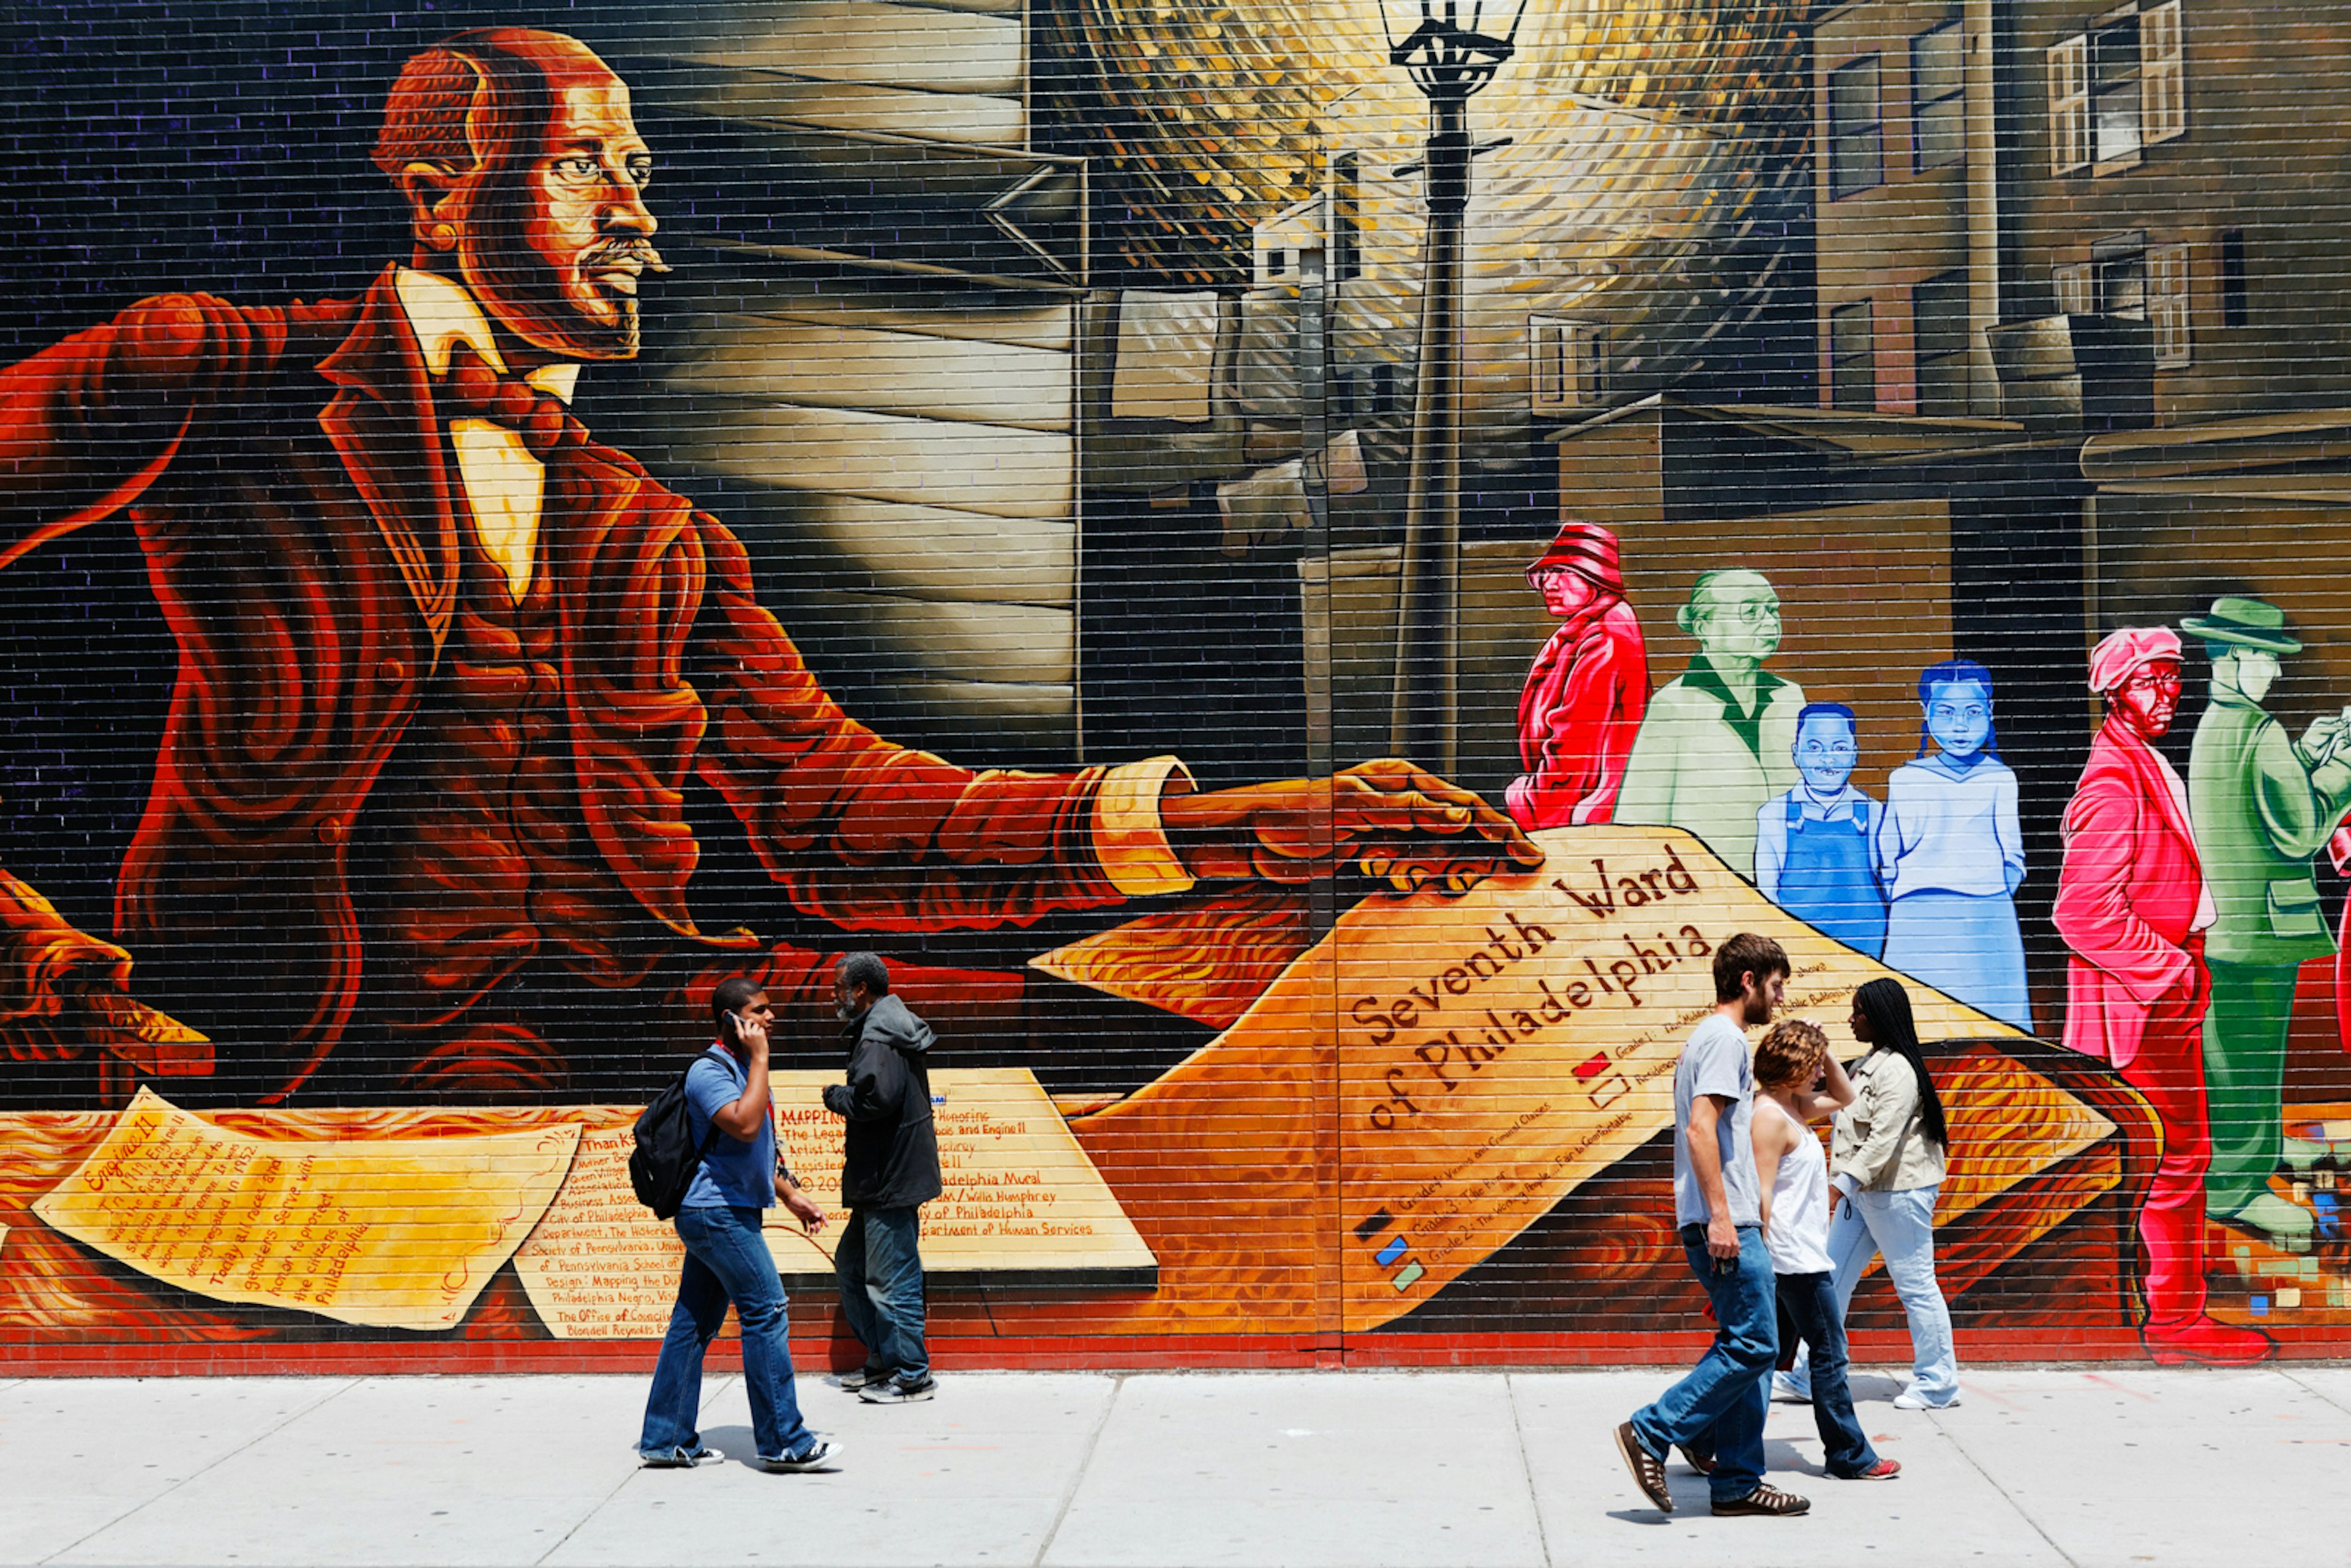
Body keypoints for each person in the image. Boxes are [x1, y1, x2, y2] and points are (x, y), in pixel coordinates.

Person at [0, 27, 1542, 1104]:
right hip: (320, 1041)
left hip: (666, 1001)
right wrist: (29, 943)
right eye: (586, 168)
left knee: (1184, 1017)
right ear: (437, 192)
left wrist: (1226, 827)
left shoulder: (651, 529)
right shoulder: (213, 375)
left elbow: (841, 811)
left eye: (643, 170)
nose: (637, 215)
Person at [2053, 627, 2274, 1365]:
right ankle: (2177, 1323)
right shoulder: (2113, 780)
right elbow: (2081, 910)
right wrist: (2171, 970)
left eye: (2174, 678)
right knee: (2178, 1156)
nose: (2167, 694)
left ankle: (2169, 1316)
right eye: (2149, 681)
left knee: (2170, 1154)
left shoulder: (2143, 760)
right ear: (2114, 691)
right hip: (2143, 1005)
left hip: (2163, 992)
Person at [1615, 931, 1810, 1520]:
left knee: (1746, 1346)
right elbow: (1702, 1129)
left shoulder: (1709, 1038)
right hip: (1726, 1222)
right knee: (1756, 1343)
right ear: (1748, 981)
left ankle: (1737, 1481)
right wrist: (1723, 1216)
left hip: (1728, 1218)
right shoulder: (1725, 1039)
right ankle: (1653, 1430)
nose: (1778, 1000)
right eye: (1775, 986)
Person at [2183, 595, 2351, 1251]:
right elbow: (2304, 826)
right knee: (2246, 1053)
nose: (2276, 676)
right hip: (2260, 926)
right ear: (2234, 660)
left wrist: (2310, 752)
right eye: (2268, 661)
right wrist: (2343, 766)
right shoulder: (2258, 731)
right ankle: (2237, 1186)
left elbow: (2269, 797)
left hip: (2234, 922)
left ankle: (2259, 1143)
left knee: (2244, 1054)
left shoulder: (2221, 726)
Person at [639, 976, 841, 1472]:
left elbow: (755, 1148)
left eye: (770, 1010)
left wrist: (791, 1195)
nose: (770, 1018)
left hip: (726, 1209)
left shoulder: (740, 1067)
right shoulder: (709, 1072)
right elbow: (745, 1124)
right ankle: (784, 1441)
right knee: (767, 1308)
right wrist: (762, 1058)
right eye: (759, 1010)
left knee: (693, 1322)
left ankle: (665, 1439)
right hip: (714, 1213)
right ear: (732, 1019)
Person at [1777, 977, 1960, 1410]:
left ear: (1877, 1015)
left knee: (1915, 1286)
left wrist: (1837, 1188)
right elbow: (1839, 1100)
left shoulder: (1898, 1069)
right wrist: (1818, 1050)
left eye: (1857, 1011)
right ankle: (1807, 1374)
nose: (1851, 1018)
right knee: (1829, 1281)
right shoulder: (1870, 1062)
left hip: (1898, 1192)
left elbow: (1883, 1139)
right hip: (1865, 1193)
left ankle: (1938, 1383)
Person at [1750, 1018, 1899, 1481]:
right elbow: (1762, 1196)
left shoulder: (1790, 1107)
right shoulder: (1771, 1117)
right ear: (1793, 1067)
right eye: (1812, 1064)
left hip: (1796, 1255)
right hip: (1793, 1260)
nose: (1820, 1072)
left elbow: (1847, 1097)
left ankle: (1701, 1439)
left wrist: (1824, 1047)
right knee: (1829, 1354)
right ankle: (1849, 1454)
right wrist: (1754, 1265)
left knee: (1756, 1356)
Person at [1617, 571, 1806, 879]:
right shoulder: (1674, 706)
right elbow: (1639, 820)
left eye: (1773, 610)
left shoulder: (1790, 697)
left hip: (1786, 886)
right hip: (1706, 888)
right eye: (1751, 612)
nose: (1770, 623)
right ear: (1705, 627)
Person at [1877, 659, 2033, 1032]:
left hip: (1987, 916)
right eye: (1946, 713)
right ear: (1925, 713)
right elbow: (1888, 852)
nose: (1960, 726)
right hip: (1919, 916)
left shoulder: (2000, 778)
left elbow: (2013, 853)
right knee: (1920, 1022)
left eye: (1973, 712)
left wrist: (1991, 893)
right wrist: (1909, 896)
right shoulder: (1906, 779)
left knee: (1996, 1026)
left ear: (1990, 711)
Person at [820, 953, 942, 1405]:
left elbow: (877, 1100)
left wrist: (838, 1096)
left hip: (889, 1177)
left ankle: (912, 1375)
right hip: (882, 1177)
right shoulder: (885, 1029)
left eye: (838, 987)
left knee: (892, 1279)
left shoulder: (878, 1037)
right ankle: (885, 1360)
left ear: (860, 991)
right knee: (853, 1265)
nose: (834, 995)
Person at [1504, 520, 1650, 831]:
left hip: (1578, 816)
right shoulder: (1588, 630)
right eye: (1546, 574)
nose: (1549, 584)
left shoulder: (1605, 636)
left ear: (1596, 577)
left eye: (1563, 572)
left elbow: (1575, 745)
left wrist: (1530, 802)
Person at [1753, 703, 1887, 957]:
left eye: (1839, 748)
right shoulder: (1774, 814)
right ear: (1796, 754)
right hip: (1800, 952)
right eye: (1814, 748)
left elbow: (1889, 883)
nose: (1828, 759)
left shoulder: (1876, 814)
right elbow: (1768, 895)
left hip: (1868, 950)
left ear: (1855, 753)